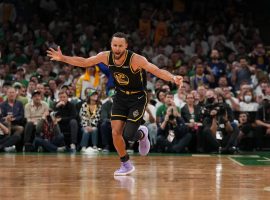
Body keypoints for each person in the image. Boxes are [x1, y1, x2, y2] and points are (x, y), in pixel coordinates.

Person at [47, 32, 183, 176]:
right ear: (111, 45)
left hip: (137, 98)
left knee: (129, 135)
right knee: (115, 132)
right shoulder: (106, 56)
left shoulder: (136, 59)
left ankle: (142, 134)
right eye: (114, 45)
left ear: (126, 46)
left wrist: (173, 77)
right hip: (120, 96)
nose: (117, 48)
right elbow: (85, 62)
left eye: (120, 46)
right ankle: (126, 164)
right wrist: (63, 58)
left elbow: (156, 70)